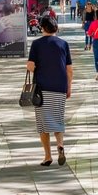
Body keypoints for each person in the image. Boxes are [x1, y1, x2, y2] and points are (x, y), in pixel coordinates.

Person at [26, 16, 73, 167]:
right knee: (58, 119)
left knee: (42, 123)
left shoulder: (37, 44)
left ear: (42, 28)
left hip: (42, 88)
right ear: (56, 28)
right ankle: (60, 144)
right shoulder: (64, 44)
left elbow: (30, 66)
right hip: (59, 87)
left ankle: (47, 156)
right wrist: (69, 87)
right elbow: (69, 69)